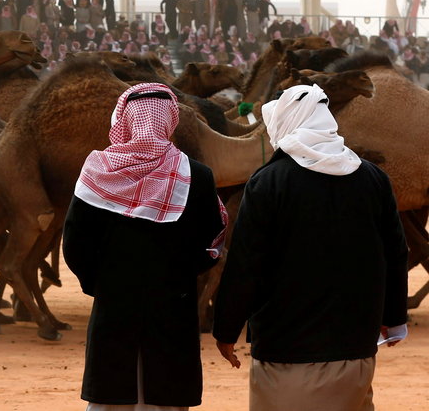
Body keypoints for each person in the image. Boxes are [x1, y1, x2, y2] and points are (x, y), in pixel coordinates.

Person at [212, 84, 409, 411]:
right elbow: (395, 252)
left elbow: (246, 265)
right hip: (356, 349)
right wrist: (393, 316)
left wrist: (226, 329)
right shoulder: (373, 179)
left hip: (285, 354)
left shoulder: (268, 182)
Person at [63, 83, 227, 411]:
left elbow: (75, 244)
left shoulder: (97, 172)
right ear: (170, 120)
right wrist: (177, 278)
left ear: (124, 118)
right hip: (173, 306)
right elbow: (212, 241)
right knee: (165, 399)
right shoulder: (198, 175)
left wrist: (103, 285)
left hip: (114, 305)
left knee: (111, 399)